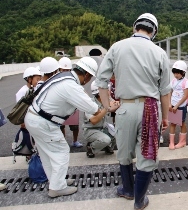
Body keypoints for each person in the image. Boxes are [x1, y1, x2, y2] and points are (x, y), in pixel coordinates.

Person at [95, 13, 171, 210]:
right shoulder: (159, 52)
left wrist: (107, 105)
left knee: (124, 152)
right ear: (153, 31)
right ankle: (139, 200)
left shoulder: (117, 47)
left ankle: (127, 189)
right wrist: (166, 117)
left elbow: (101, 80)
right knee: (147, 154)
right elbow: (165, 90)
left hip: (125, 107)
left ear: (134, 27)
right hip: (150, 108)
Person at [24, 57, 119, 198]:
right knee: (61, 151)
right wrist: (108, 107)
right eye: (90, 77)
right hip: (43, 122)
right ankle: (57, 187)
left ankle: (56, 181)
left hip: (34, 118)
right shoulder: (70, 85)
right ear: (86, 75)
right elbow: (92, 108)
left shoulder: (63, 77)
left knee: (47, 154)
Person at [83, 80, 116, 158]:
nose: (109, 92)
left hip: (103, 128)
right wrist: (106, 108)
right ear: (100, 93)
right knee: (106, 140)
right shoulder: (90, 104)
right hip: (91, 130)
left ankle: (106, 146)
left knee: (118, 134)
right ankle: (91, 147)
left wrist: (117, 105)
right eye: (107, 90)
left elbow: (115, 105)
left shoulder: (107, 99)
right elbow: (94, 120)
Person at [58, 57, 82, 148]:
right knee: (61, 126)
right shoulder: (56, 79)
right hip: (60, 106)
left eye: (67, 70)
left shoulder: (73, 79)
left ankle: (75, 141)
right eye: (63, 70)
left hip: (72, 105)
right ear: (59, 69)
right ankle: (62, 142)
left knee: (75, 125)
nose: (65, 71)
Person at [168, 60, 188, 150]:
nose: (176, 75)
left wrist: (177, 105)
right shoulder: (173, 81)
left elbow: (185, 96)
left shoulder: (186, 82)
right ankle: (171, 142)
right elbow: (170, 92)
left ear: (183, 72)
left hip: (180, 106)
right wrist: (169, 104)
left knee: (182, 123)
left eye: (178, 73)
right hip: (173, 105)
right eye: (174, 73)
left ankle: (182, 141)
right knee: (172, 123)